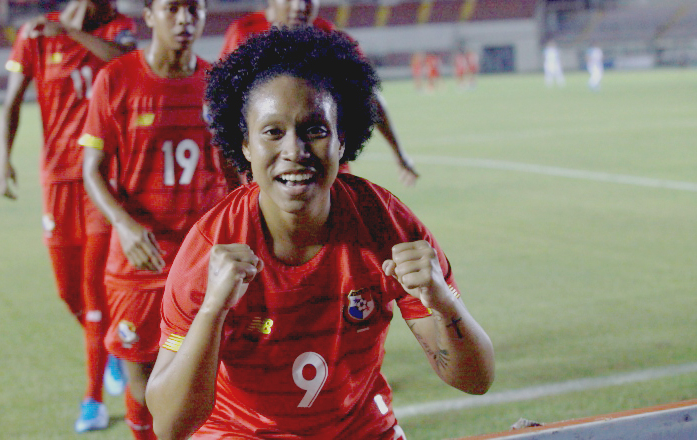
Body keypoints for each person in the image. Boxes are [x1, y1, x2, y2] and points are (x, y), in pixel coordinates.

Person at [145, 27, 495, 440]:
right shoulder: (212, 247)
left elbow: (476, 379)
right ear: (244, 146)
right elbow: (169, 426)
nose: (294, 150)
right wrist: (212, 312)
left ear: (342, 140)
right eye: (273, 132)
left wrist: (440, 301)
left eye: (315, 129)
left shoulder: (385, 223)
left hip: (361, 430)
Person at [79, 0, 240, 437]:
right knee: (142, 378)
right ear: (148, 16)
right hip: (139, 263)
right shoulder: (116, 79)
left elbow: (235, 171)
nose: (185, 19)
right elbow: (91, 169)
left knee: (213, 374)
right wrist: (124, 224)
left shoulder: (217, 85)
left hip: (205, 261)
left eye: (195, 9)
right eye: (172, 9)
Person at [0, 0, 135, 432]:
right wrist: (5, 160)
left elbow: (129, 64)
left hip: (103, 180)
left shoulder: (119, 28)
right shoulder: (34, 35)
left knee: (95, 294)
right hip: (56, 180)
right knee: (68, 292)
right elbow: (14, 100)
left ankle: (92, 400)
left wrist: (71, 36)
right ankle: (109, 348)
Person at [219, 0, 419, 187]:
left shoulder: (331, 38)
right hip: (267, 178)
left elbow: (370, 98)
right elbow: (223, 109)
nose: (299, 6)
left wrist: (400, 155)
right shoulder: (243, 33)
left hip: (327, 177)